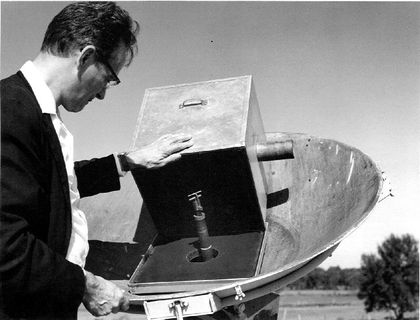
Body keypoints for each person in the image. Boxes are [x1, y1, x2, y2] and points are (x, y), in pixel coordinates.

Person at [0, 2, 193, 319]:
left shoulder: (32, 113)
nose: (103, 94)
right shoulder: (10, 112)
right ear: (86, 55)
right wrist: (86, 286)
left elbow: (56, 185)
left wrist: (127, 161)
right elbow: (6, 246)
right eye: (109, 76)